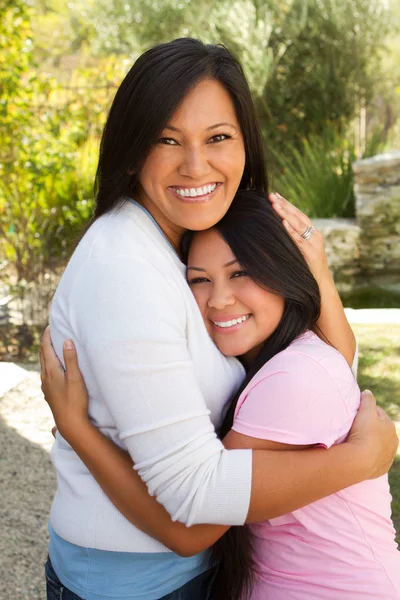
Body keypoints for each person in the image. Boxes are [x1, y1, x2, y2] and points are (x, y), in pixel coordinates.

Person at [41, 38, 397, 600]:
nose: (195, 165)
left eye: (218, 138)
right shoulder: (126, 269)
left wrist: (319, 279)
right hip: (136, 585)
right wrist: (362, 459)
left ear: (245, 145)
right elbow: (195, 504)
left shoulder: (193, 242)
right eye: (167, 140)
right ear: (133, 149)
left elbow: (322, 364)